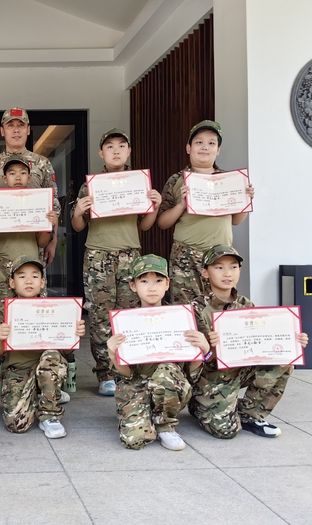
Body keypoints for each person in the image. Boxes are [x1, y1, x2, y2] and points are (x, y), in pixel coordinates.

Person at [70, 128, 162, 396]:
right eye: (110, 146)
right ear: (101, 153)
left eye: (122, 146)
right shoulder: (91, 185)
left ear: (129, 151)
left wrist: (154, 206)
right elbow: (77, 227)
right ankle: (105, 374)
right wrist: (78, 211)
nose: (116, 150)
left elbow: (144, 225)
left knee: (129, 313)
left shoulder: (138, 182)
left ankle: (129, 367)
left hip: (130, 256)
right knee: (100, 316)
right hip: (98, 256)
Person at [190, 245, 308, 439]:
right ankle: (199, 405)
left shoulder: (245, 304)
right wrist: (210, 348)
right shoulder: (196, 308)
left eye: (233, 267)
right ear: (205, 272)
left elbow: (260, 342)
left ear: (240, 271)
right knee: (226, 432)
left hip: (241, 368)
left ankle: (250, 414)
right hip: (211, 377)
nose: (227, 273)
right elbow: (197, 360)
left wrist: (292, 342)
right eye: (219, 267)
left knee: (285, 359)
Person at [107, 254, 208, 451]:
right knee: (134, 441)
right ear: (133, 285)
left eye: (158, 281)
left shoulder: (180, 318)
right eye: (144, 281)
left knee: (166, 369)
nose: (152, 287)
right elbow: (127, 374)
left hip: (170, 384)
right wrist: (113, 354)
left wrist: (203, 350)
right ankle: (146, 416)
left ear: (167, 284)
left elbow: (191, 372)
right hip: (138, 386)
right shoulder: (125, 321)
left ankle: (165, 425)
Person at [157, 120, 255, 304]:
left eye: (211, 143)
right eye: (199, 142)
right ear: (188, 148)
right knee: (186, 309)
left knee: (219, 307)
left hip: (220, 256)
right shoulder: (176, 180)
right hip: (185, 257)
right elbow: (162, 222)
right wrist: (181, 205)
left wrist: (246, 199)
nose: (205, 147)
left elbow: (236, 220)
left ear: (218, 150)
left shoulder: (229, 180)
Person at [0, 255, 86, 438]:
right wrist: (1, 337)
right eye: (22, 276)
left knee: (52, 357)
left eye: (34, 276)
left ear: (42, 283)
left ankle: (50, 413)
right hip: (18, 370)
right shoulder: (5, 310)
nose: (28, 281)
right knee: (16, 424)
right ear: (12, 282)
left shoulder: (56, 308)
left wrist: (75, 334)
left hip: (47, 366)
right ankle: (45, 394)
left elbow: (67, 350)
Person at [0, 155, 57, 351]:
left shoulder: (37, 203)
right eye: (12, 173)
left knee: (35, 310)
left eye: (23, 173)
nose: (18, 177)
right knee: (3, 310)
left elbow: (41, 242)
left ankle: (33, 352)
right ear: (4, 178)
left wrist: (49, 226)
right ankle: (2, 355)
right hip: (3, 264)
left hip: (31, 264)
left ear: (29, 177)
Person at [0, 108, 61, 264]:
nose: (16, 130)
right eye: (10, 125)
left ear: (28, 130)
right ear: (2, 131)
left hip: (34, 247)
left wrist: (53, 240)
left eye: (21, 125)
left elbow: (53, 206)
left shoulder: (42, 164)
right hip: (1, 249)